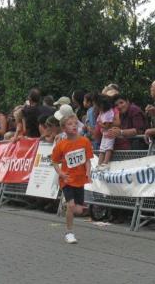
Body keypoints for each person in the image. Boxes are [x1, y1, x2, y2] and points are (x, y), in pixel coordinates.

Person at [51, 114, 94, 244]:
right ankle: (69, 233)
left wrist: (88, 172)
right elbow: (54, 162)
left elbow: (87, 160)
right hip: (67, 180)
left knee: (79, 210)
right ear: (64, 128)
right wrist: (61, 174)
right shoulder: (61, 145)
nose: (74, 126)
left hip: (80, 180)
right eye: (70, 124)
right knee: (71, 206)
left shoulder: (84, 141)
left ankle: (68, 205)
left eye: (75, 123)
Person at [94, 95, 119, 167]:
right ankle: (99, 163)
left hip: (110, 132)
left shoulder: (109, 113)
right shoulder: (102, 112)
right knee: (102, 148)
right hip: (104, 133)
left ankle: (105, 162)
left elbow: (106, 126)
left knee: (108, 148)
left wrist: (100, 124)